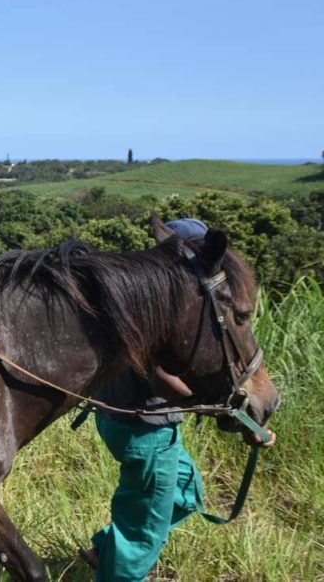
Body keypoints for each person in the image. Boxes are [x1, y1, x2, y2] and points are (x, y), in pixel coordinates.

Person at [80, 218, 276, 581]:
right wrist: (238, 415)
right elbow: (166, 383)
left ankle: (105, 549)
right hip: (147, 433)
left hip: (116, 419)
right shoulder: (169, 311)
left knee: (187, 491)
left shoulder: (142, 300)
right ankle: (120, 566)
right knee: (142, 534)